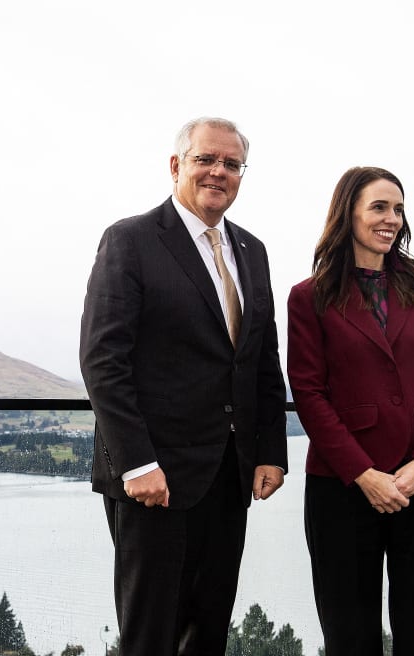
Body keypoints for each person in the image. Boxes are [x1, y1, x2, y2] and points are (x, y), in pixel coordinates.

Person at [79, 117, 288, 656]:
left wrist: (271, 450)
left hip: (229, 477)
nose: (219, 171)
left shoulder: (253, 250)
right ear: (177, 166)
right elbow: (102, 360)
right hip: (156, 480)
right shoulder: (130, 240)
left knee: (208, 630)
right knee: (151, 635)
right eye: (206, 159)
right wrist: (137, 464)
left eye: (232, 164)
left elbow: (262, 360)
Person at [286, 166, 414, 655]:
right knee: (349, 635)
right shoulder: (309, 297)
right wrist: (365, 475)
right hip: (342, 487)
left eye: (399, 209)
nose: (392, 219)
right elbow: (309, 394)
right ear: (349, 213)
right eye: (379, 207)